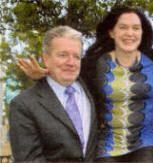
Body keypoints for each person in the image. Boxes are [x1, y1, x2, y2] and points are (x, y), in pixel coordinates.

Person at [16, 5, 153, 162]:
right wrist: (46, 75)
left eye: (136, 28)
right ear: (112, 31)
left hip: (146, 144)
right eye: (123, 27)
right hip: (107, 145)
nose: (130, 33)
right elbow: (69, 77)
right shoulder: (93, 62)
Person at [9, 26, 97, 162]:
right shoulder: (23, 105)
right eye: (62, 55)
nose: (71, 62)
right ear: (46, 59)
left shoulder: (91, 91)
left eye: (76, 56)